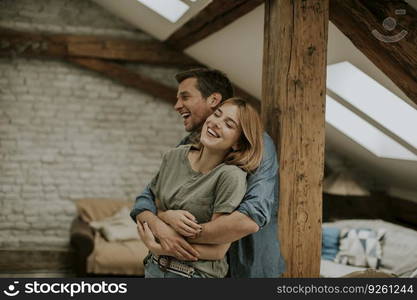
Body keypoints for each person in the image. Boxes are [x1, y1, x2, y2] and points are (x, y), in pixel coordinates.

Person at [130, 68, 285, 278]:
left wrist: (169, 238)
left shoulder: (257, 146)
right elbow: (145, 200)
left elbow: (249, 219)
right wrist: (162, 224)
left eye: (185, 97)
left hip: (247, 268)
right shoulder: (183, 149)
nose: (177, 106)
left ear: (213, 99)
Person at [138, 98, 263, 278]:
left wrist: (159, 246)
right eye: (217, 114)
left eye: (229, 124)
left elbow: (218, 250)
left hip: (193, 275)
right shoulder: (173, 156)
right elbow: (153, 207)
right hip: (153, 268)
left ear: (238, 143)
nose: (216, 123)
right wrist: (167, 217)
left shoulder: (230, 176)